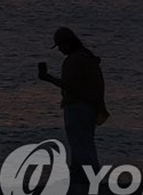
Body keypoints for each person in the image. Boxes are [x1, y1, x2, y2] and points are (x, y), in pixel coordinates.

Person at [38, 26, 108, 175]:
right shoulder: (87, 57)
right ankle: (81, 174)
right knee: (85, 142)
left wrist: (48, 78)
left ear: (69, 43)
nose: (60, 50)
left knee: (79, 143)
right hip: (89, 106)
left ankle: (88, 174)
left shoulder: (74, 60)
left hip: (77, 106)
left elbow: (70, 85)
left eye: (61, 45)